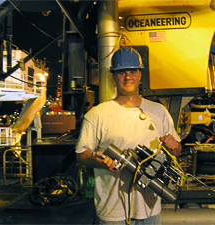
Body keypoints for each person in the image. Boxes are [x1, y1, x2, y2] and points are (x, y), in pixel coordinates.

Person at [75, 47, 182, 225]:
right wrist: (98, 162)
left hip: (149, 209)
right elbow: (81, 154)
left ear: (140, 75)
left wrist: (175, 146)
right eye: (121, 72)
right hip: (112, 211)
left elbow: (177, 150)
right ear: (113, 76)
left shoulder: (158, 112)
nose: (128, 77)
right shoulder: (97, 115)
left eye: (133, 71)